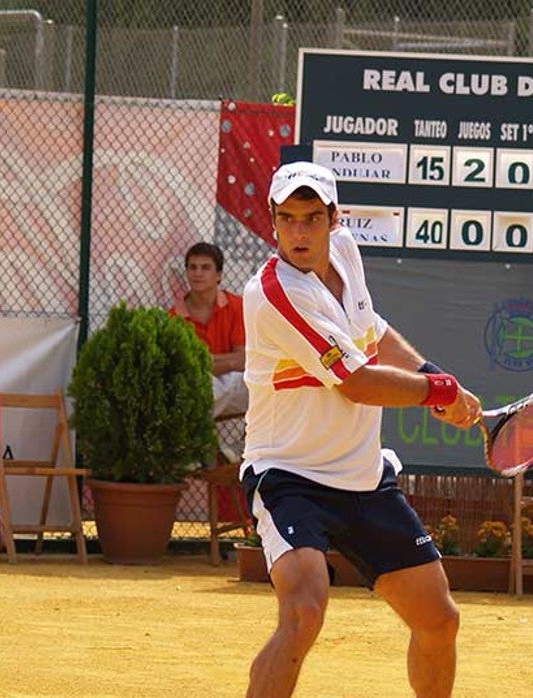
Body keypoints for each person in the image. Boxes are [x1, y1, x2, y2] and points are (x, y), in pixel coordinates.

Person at [238, 161, 482, 698]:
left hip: (363, 479)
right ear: (273, 223)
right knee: (303, 611)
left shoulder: (346, 252)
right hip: (290, 476)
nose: (298, 233)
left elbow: (374, 332)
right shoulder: (273, 294)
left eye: (310, 218)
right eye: (286, 219)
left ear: (333, 219)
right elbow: (355, 381)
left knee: (440, 619)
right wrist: (439, 394)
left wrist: (432, 375)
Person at [168, 241, 249, 420]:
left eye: (205, 268)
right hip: (202, 386)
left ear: (218, 275)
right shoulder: (174, 317)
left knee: (253, 381)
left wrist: (207, 362)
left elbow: (244, 360)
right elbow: (186, 368)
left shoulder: (237, 306)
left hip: (235, 386)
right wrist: (230, 363)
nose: (197, 273)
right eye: (192, 267)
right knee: (201, 385)